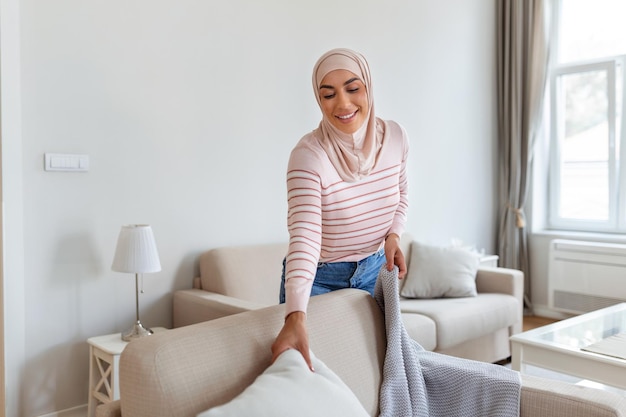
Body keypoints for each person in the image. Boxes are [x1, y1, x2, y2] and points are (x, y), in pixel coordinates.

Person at [271, 48, 410, 371]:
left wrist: (393, 236)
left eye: (353, 88)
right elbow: (305, 237)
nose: (343, 104)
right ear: (318, 100)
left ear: (368, 87)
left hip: (375, 271)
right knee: (316, 380)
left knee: (377, 373)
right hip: (321, 279)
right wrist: (295, 314)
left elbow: (401, 195)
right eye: (328, 94)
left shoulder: (396, 138)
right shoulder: (308, 156)